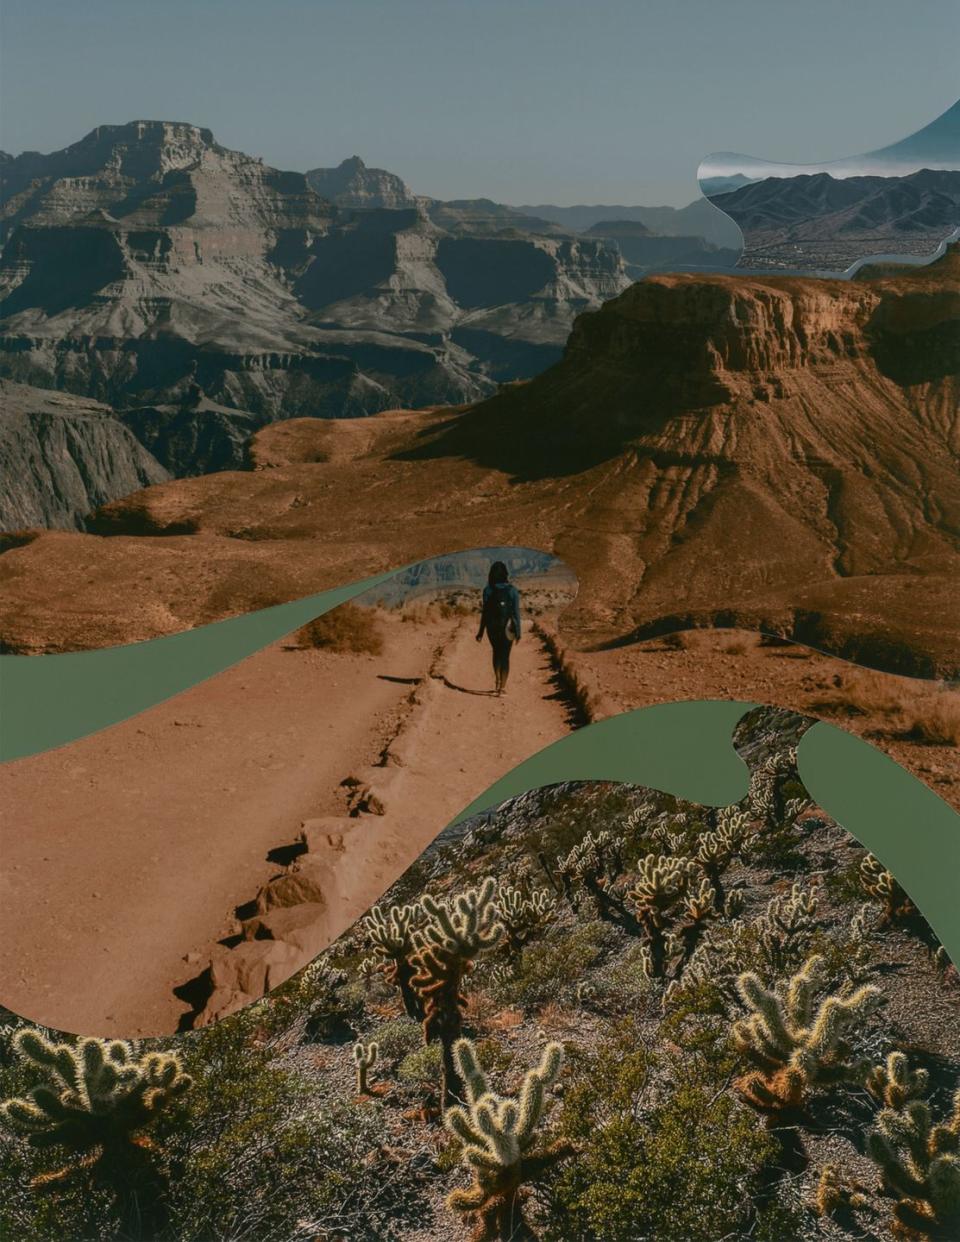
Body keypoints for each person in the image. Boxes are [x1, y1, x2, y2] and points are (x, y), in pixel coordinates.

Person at [476, 560, 522, 696]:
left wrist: (480, 632)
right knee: (505, 657)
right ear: (505, 574)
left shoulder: (487, 590)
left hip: (492, 627)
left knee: (496, 652)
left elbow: (485, 613)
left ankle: (497, 681)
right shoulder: (512, 590)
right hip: (508, 628)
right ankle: (502, 688)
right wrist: (518, 632)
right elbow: (516, 612)